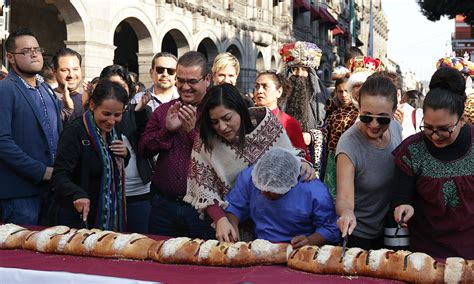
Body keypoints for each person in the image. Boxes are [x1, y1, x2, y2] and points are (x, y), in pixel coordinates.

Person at [184, 83, 316, 242]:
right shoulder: (206, 142)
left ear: (239, 110)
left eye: (227, 118)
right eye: (214, 122)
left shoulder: (265, 123)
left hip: (277, 222)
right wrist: (220, 219)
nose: (222, 127)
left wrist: (302, 162)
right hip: (230, 225)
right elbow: (204, 185)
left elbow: (288, 155)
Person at [392, 67, 474, 259]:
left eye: (444, 129)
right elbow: (400, 198)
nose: (435, 136)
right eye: (428, 128)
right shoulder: (411, 150)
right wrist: (404, 207)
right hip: (426, 257)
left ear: (462, 119)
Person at [139, 51, 214, 239]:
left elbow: (219, 158)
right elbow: (144, 150)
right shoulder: (165, 110)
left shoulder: (217, 112)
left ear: (207, 79)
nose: (185, 87)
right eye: (180, 80)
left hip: (202, 209)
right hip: (163, 206)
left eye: (192, 81)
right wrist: (167, 130)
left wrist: (191, 132)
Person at [0, 27, 62, 225]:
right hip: (19, 194)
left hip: (51, 190)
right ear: (10, 57)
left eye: (37, 49)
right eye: (26, 51)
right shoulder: (5, 89)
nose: (34, 53)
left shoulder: (46, 89)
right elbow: (2, 142)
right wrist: (40, 171)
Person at [51, 80, 130, 231]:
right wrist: (77, 194)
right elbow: (59, 175)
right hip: (78, 219)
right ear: (93, 105)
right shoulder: (75, 131)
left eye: (117, 115)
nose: (112, 121)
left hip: (109, 218)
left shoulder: (114, 132)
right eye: (106, 114)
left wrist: (125, 155)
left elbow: (111, 167)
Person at [336, 75, 402, 250]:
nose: (373, 124)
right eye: (366, 117)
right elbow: (344, 198)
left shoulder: (396, 128)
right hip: (359, 235)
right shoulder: (348, 144)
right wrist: (347, 213)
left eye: (382, 118)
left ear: (394, 111)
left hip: (390, 231)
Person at [225, 147, 339, 248]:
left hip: (298, 250)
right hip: (261, 247)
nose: (262, 194)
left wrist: (310, 241)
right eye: (259, 187)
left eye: (270, 192)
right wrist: (232, 228)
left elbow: (330, 228)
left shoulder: (314, 191)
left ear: (290, 185)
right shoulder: (250, 177)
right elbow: (235, 206)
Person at [99, 65, 154, 234]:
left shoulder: (142, 111)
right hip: (108, 194)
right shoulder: (96, 115)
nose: (116, 92)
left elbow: (146, 146)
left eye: (121, 87)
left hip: (138, 192)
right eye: (111, 86)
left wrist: (137, 113)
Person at [279, 41, 331, 175]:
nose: (299, 74)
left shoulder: (325, 98)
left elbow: (330, 127)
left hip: (312, 155)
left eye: (304, 69)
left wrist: (313, 136)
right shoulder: (278, 96)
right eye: (295, 69)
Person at [253, 70, 309, 160]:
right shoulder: (246, 118)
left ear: (279, 92)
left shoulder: (290, 123)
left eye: (265, 86)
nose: (259, 91)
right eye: (257, 86)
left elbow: (302, 158)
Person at [322, 77, 359, 200]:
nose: (343, 95)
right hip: (332, 156)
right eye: (340, 91)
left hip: (351, 156)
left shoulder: (360, 112)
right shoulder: (331, 111)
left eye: (346, 91)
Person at [53, 47, 84, 124]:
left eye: (75, 69)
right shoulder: (47, 99)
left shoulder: (90, 97)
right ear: (54, 71)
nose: (71, 75)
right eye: (64, 70)